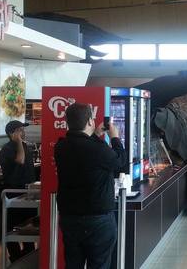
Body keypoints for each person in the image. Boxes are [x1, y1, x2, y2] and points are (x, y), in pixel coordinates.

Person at [55, 103, 127, 269]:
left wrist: (95, 135)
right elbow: (120, 161)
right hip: (98, 220)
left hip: (70, 219)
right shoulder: (97, 149)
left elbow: (85, 148)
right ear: (89, 121)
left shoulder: (61, 147)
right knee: (99, 264)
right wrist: (115, 137)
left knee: (73, 264)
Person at [0, 120, 37, 262]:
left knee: (28, 226)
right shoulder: (6, 150)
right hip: (13, 193)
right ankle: (15, 257)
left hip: (27, 192)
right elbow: (20, 160)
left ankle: (28, 256)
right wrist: (19, 142)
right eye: (20, 130)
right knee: (10, 228)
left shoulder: (26, 147)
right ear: (11, 134)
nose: (23, 132)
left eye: (23, 129)